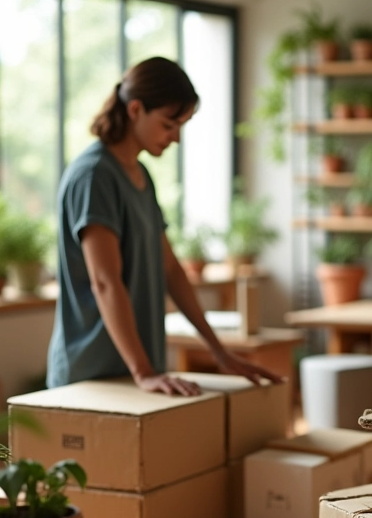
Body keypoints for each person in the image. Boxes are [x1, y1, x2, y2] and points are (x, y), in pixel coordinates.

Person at [47, 56, 282, 396]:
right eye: (169, 124)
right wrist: (143, 372)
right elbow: (105, 281)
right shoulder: (94, 176)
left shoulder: (141, 176)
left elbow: (171, 268)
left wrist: (219, 351)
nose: (176, 138)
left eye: (181, 126)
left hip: (135, 372)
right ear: (136, 110)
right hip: (92, 373)